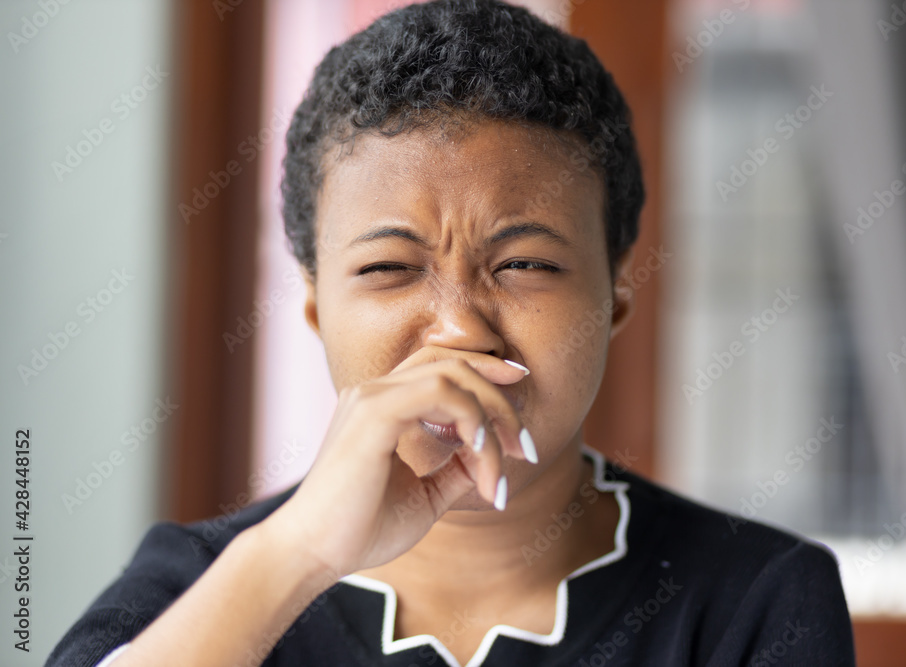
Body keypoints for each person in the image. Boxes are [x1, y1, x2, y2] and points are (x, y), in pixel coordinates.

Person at [46, 1, 856, 665]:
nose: (461, 328)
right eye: (390, 268)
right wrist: (295, 557)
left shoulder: (759, 599)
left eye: (525, 265)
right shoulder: (195, 586)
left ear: (615, 295)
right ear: (318, 308)